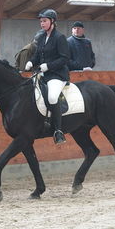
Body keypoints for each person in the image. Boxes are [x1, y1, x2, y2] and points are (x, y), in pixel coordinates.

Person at [24, 9, 70, 144]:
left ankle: (58, 131)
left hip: (57, 75)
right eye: (41, 21)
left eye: (44, 21)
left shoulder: (59, 38)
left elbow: (64, 59)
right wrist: (31, 61)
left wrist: (48, 66)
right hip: (43, 74)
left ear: (52, 22)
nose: (42, 24)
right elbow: (38, 55)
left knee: (52, 97)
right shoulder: (42, 37)